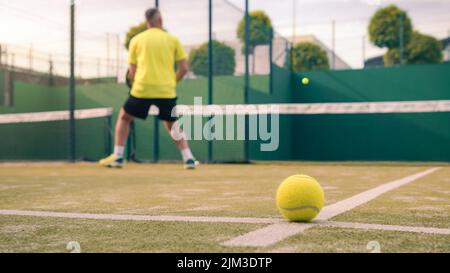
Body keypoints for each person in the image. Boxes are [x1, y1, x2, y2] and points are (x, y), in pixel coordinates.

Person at [100, 8, 198, 169]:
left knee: (124, 117)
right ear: (160, 20)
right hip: (166, 90)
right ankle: (188, 158)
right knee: (172, 123)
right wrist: (172, 82)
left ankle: (118, 156)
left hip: (142, 89)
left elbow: (132, 70)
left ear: (147, 22)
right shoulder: (172, 40)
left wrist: (134, 82)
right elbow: (184, 68)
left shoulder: (136, 40)